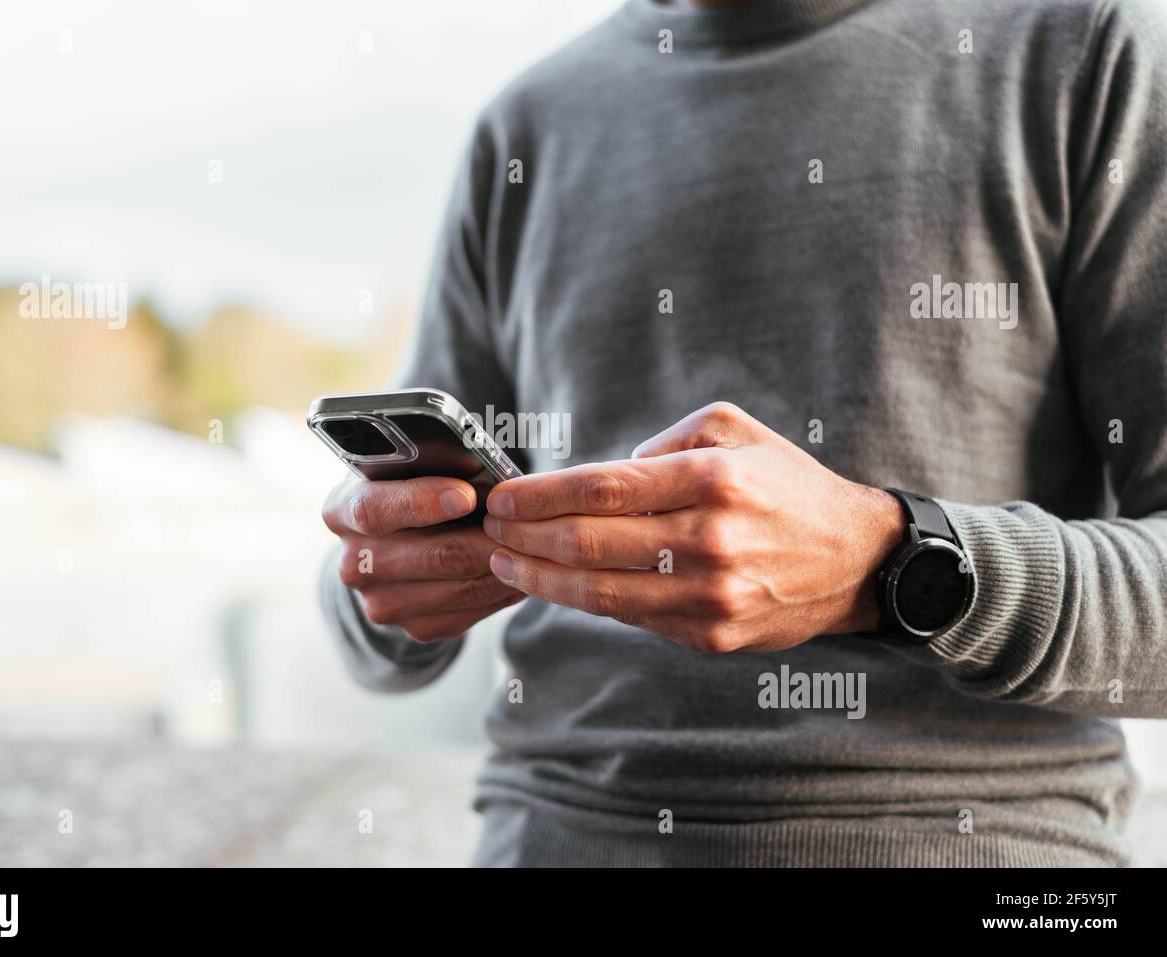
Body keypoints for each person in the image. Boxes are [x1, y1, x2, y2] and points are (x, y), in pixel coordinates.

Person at [319, 0, 1167, 866]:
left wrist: (895, 569)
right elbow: (371, 619)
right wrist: (382, 577)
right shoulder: (525, 124)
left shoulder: (1086, 50)